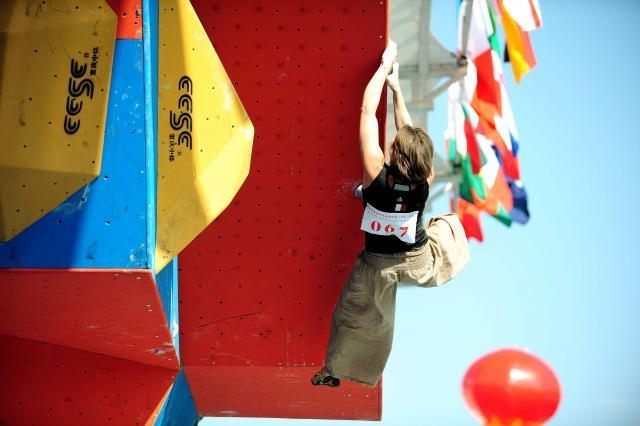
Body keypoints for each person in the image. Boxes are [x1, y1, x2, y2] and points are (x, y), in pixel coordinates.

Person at [311, 40, 471, 388]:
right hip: (419, 261)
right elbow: (408, 133)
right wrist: (398, 91)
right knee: (447, 228)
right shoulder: (425, 180)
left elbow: (367, 112)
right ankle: (448, 244)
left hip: (378, 266)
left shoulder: (375, 170)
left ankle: (333, 370)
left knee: (355, 317)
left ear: (394, 152)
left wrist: (385, 69)